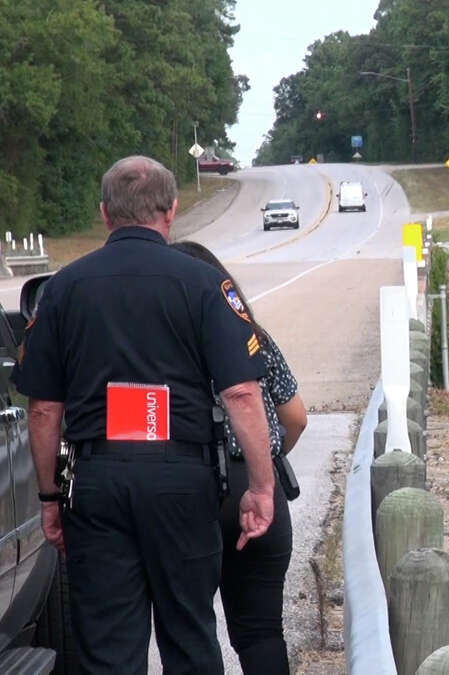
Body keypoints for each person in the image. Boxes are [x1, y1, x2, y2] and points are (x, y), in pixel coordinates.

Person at [13, 155, 276, 673]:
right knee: (189, 637)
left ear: (106, 214)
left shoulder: (62, 289)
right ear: (172, 210)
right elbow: (242, 393)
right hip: (183, 481)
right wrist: (261, 487)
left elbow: (43, 408)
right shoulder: (203, 284)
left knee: (108, 649)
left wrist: (49, 498)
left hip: (97, 483)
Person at [172, 241, 307, 674]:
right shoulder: (254, 338)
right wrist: (261, 465)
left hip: (191, 487)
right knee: (261, 629)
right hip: (256, 487)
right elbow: (297, 418)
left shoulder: (166, 351)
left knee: (189, 628)